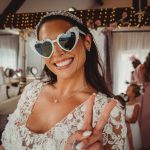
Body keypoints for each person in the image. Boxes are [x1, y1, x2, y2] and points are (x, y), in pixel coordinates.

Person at [0, 11, 127, 150]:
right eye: (45, 47)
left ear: (87, 42)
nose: (57, 53)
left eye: (66, 40)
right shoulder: (31, 90)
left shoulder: (108, 113)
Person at [133, 52, 150, 149]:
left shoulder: (141, 68)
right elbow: (137, 82)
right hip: (143, 96)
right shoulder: (142, 68)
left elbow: (137, 81)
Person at [125, 83, 142, 150]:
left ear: (133, 94)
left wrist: (123, 115)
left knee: (132, 146)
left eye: (128, 89)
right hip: (125, 127)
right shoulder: (125, 103)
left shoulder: (136, 105)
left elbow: (133, 120)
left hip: (132, 128)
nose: (126, 90)